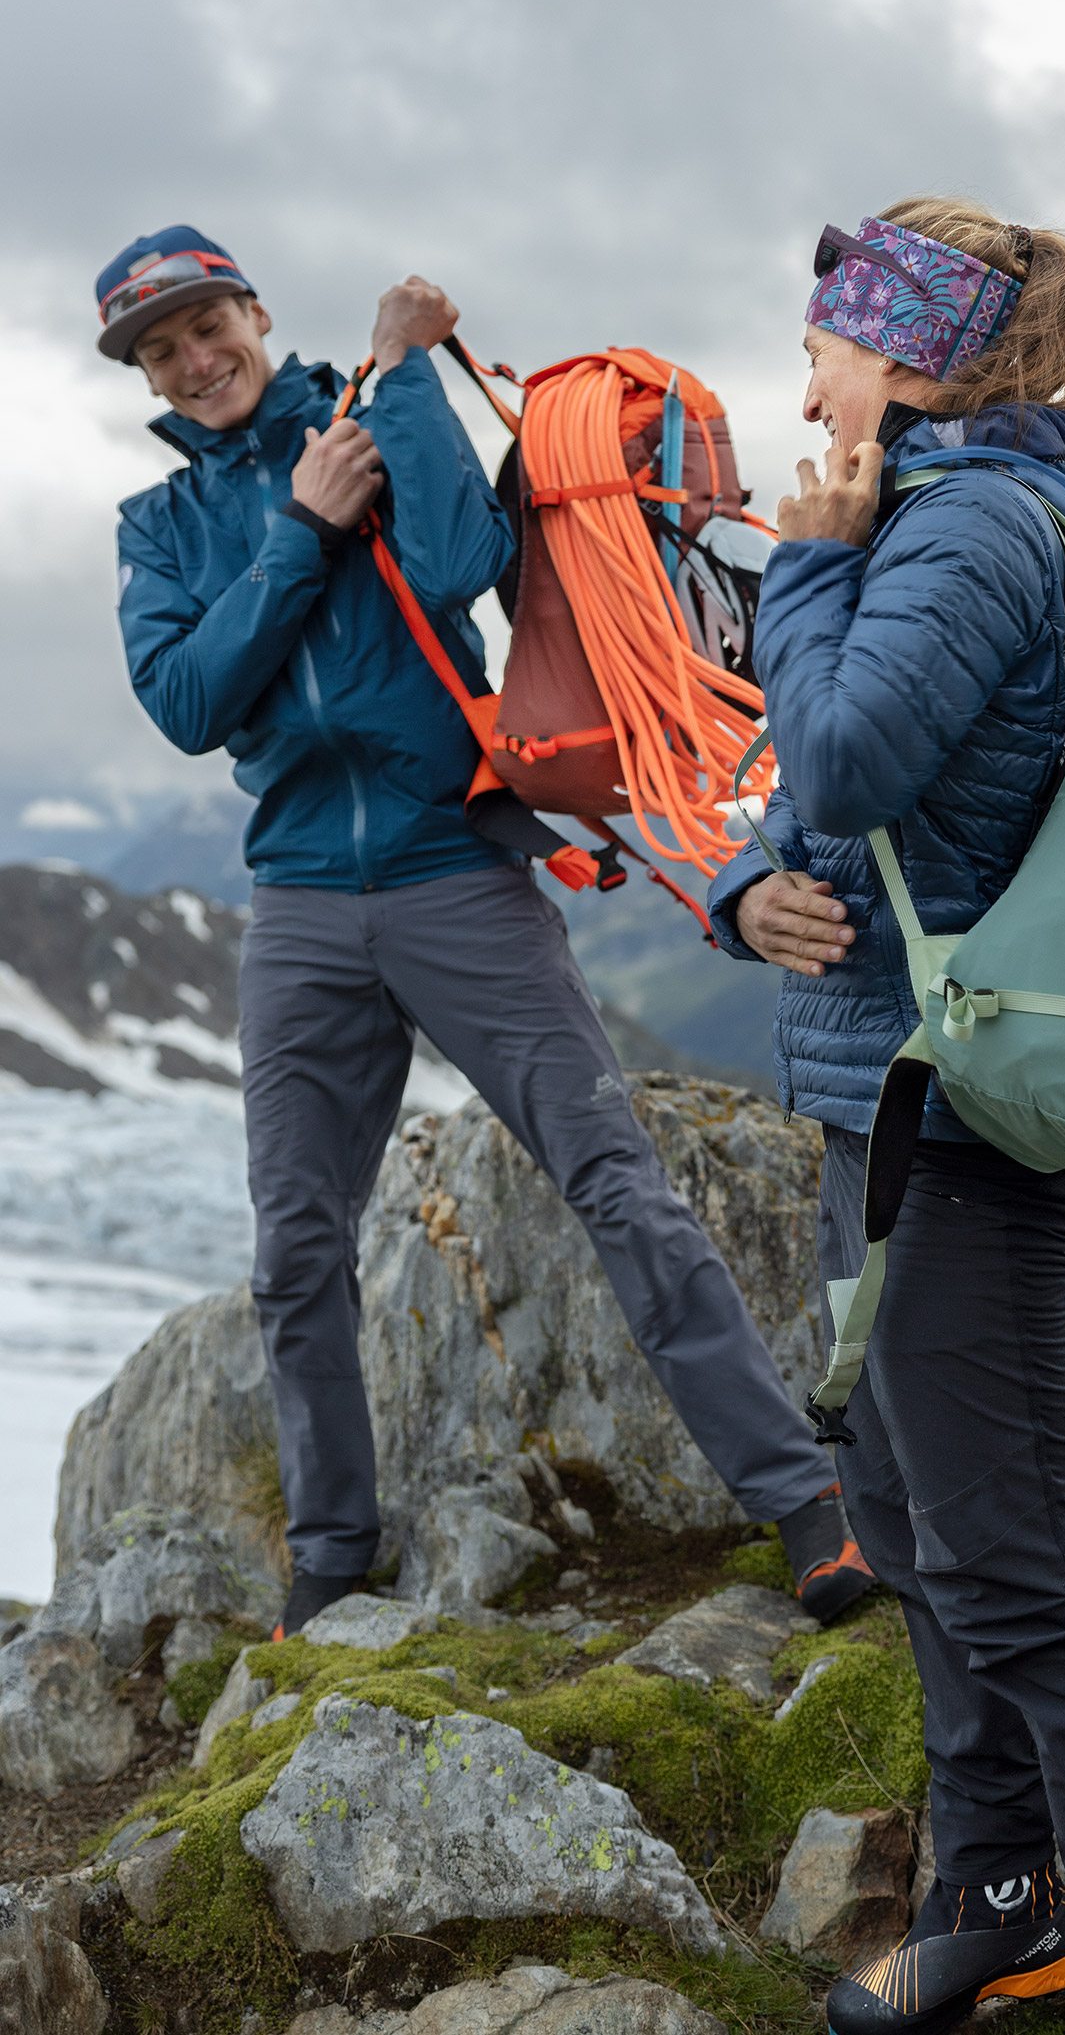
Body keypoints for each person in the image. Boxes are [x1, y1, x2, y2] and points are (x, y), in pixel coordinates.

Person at [96, 226, 874, 1637]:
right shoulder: (159, 527)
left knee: (617, 1186)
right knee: (296, 1251)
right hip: (301, 906)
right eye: (161, 349)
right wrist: (303, 530)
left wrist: (398, 381)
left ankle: (809, 1510)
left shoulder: (368, 411)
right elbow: (191, 702)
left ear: (255, 313)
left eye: (209, 324)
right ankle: (333, 1560)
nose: (195, 359)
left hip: (457, 866)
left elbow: (461, 557)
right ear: (144, 370)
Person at [707, 201, 1065, 2035]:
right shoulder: (953, 521)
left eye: (831, 344)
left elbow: (844, 751)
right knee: (921, 1531)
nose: (810, 374)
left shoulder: (974, 526)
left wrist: (807, 554)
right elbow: (870, 813)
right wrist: (737, 898)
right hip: (902, 1074)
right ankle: (999, 1903)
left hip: (971, 1115)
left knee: (1010, 1558)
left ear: (913, 358)